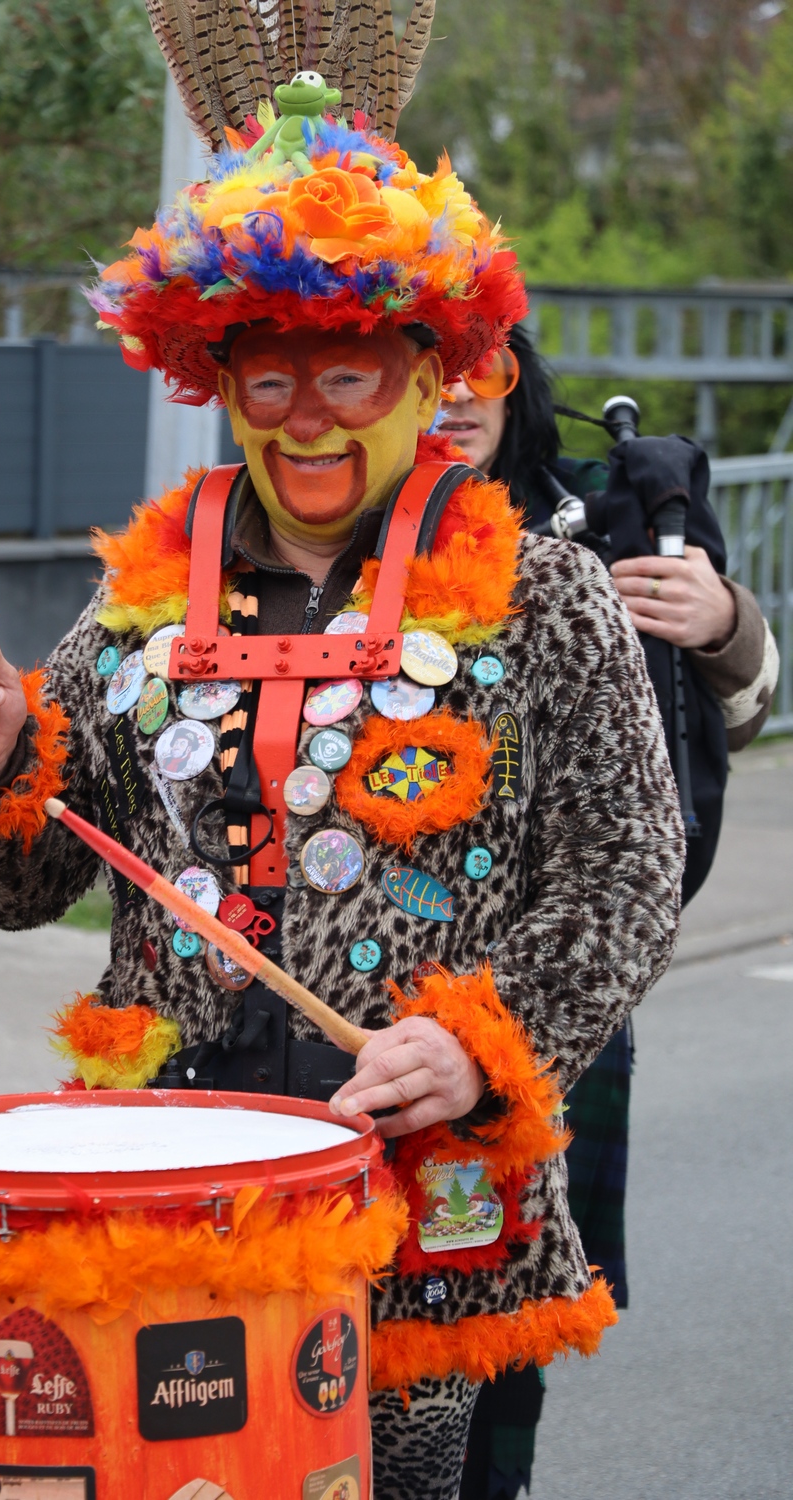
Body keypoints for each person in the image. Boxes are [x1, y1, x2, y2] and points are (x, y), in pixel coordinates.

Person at [0, 35, 686, 1500]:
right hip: (170, 1185)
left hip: (416, 1199)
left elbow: (623, 875)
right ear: (223, 385)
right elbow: (23, 883)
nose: (307, 416)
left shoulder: (542, 593)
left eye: (347, 373)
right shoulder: (142, 597)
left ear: (423, 377)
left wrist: (485, 1040)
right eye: (270, 380)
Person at [437, 323, 779, 1500]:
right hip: (349, 1000)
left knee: (494, 1335)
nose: (450, 396)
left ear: (516, 377)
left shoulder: (605, 507)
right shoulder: (324, 522)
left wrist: (722, 625)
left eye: (478, 365)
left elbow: (730, 723)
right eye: (420, 369)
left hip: (550, 991)